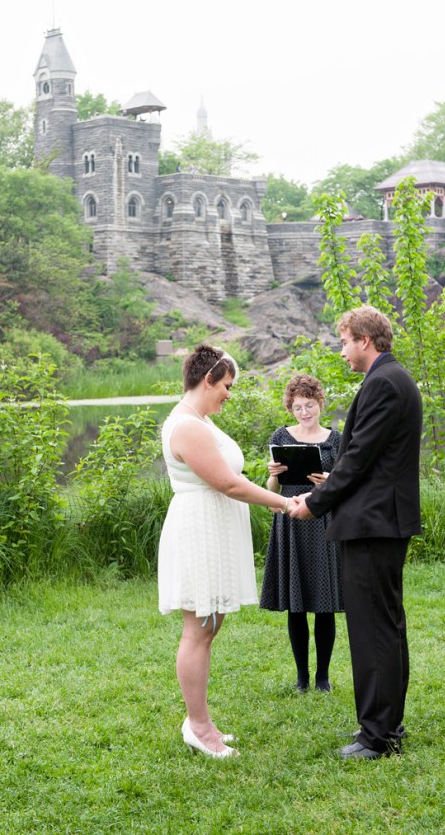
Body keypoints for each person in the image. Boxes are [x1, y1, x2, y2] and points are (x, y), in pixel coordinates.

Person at [288, 306, 422, 760]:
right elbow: (368, 460)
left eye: (344, 341)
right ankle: (390, 727)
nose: (342, 351)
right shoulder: (392, 378)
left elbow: (359, 457)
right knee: (386, 625)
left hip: (372, 525)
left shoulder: (384, 382)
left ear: (365, 339)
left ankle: (377, 737)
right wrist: (334, 485)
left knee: (373, 631)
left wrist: (314, 502)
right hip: (379, 521)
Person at [158, 343, 294, 759]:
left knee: (210, 625)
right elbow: (228, 483)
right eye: (227, 385)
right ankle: (198, 727)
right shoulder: (187, 427)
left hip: (212, 531)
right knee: (198, 629)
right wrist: (286, 503)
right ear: (207, 379)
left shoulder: (200, 420)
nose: (229, 394)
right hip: (197, 532)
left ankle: (201, 719)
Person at [260, 374, 344, 693]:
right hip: (291, 520)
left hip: (323, 521)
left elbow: (345, 485)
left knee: (324, 604)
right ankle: (301, 678)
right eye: (298, 407)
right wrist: (272, 476)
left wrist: (328, 484)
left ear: (320, 403)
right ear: (290, 407)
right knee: (296, 605)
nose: (304, 412)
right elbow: (273, 492)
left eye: (309, 405)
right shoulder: (281, 436)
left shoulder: (335, 439)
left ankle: (322, 677)